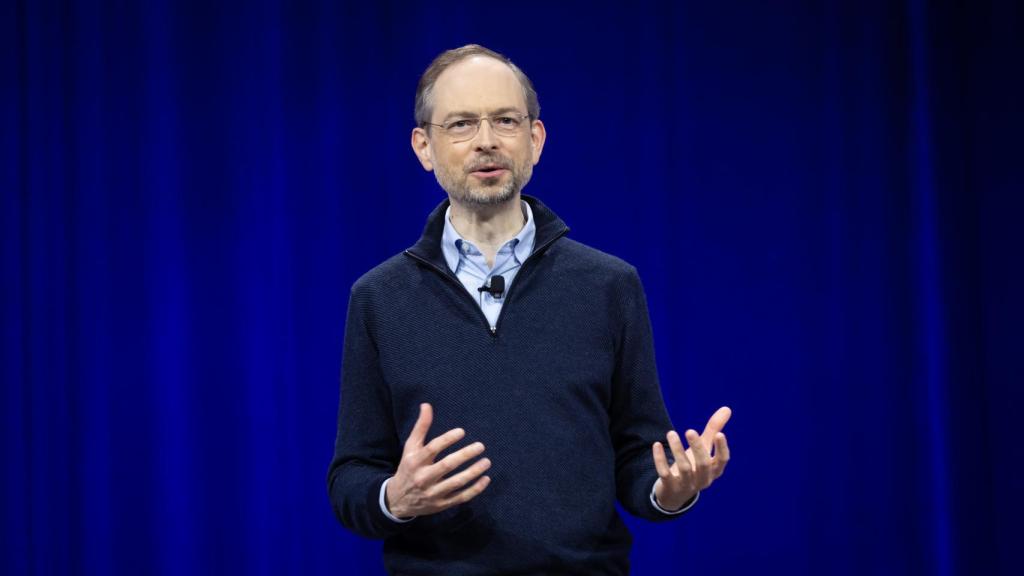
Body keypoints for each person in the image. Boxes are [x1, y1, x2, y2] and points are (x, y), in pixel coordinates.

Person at [327, 44, 732, 575]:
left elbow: (639, 458)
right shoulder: (379, 297)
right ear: (424, 147)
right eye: (461, 124)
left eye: (505, 120)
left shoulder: (608, 285)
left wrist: (669, 489)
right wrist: (394, 497)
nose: (487, 141)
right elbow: (352, 476)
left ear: (535, 140)